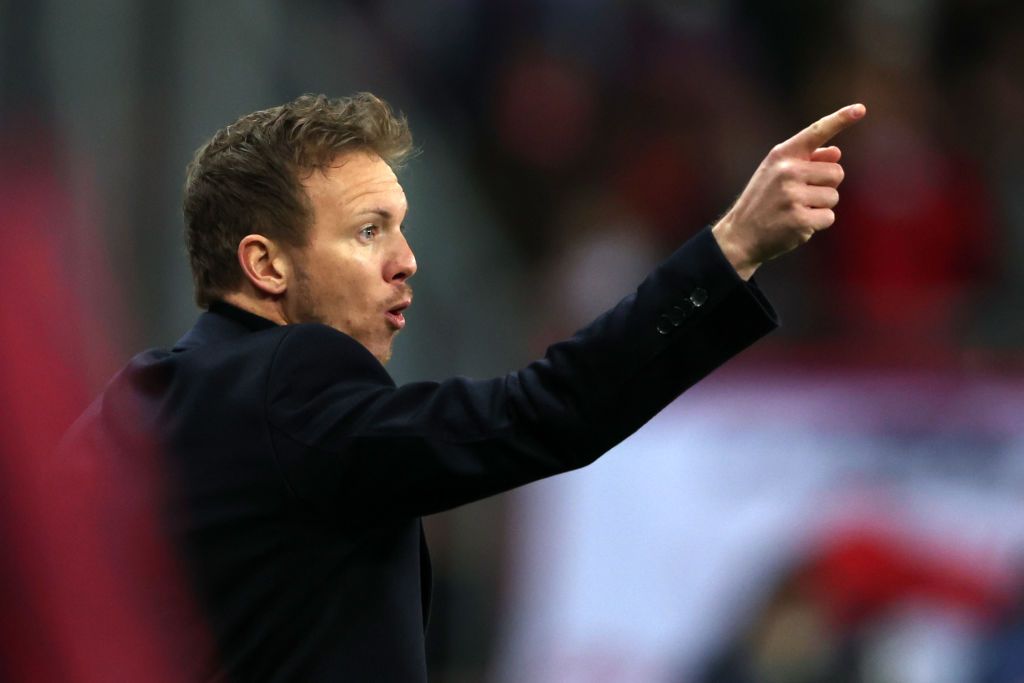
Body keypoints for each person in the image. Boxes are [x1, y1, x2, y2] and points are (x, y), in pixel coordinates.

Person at [63, 92, 864, 682]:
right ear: (266, 265)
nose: (407, 259)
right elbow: (544, 411)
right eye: (368, 229)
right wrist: (731, 251)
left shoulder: (133, 404)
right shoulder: (291, 378)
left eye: (402, 225)